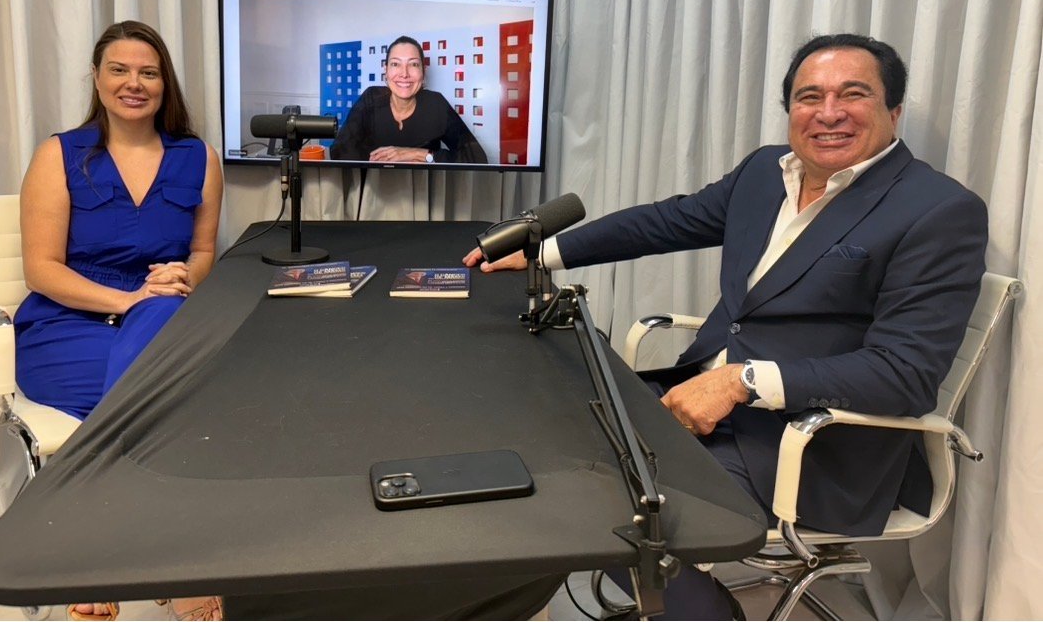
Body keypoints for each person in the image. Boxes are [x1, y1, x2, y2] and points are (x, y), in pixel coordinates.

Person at [464, 33, 988, 617]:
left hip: (815, 446)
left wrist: (742, 381)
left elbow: (906, 375)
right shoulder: (767, 171)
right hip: (707, 405)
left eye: (853, 94)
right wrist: (543, 252)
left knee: (607, 510)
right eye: (809, 96)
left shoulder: (937, 210)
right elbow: (666, 222)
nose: (829, 112)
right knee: (545, 450)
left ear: (894, 110)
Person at [12, 20, 224, 622]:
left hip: (160, 317)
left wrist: (183, 277)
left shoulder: (198, 158)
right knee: (173, 401)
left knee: (165, 318)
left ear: (164, 83)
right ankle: (173, 558)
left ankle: (97, 549)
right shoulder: (59, 154)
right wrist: (126, 301)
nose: (134, 83)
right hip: (65, 327)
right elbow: (40, 269)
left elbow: (203, 253)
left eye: (148, 72)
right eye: (120, 70)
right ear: (97, 78)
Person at [329, 35, 489, 164]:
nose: (404, 74)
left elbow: (477, 158)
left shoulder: (436, 104)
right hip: (376, 189)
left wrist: (418, 154)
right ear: (386, 70)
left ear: (423, 72)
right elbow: (339, 150)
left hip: (423, 190)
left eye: (413, 64)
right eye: (395, 64)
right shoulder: (371, 97)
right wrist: (381, 164)